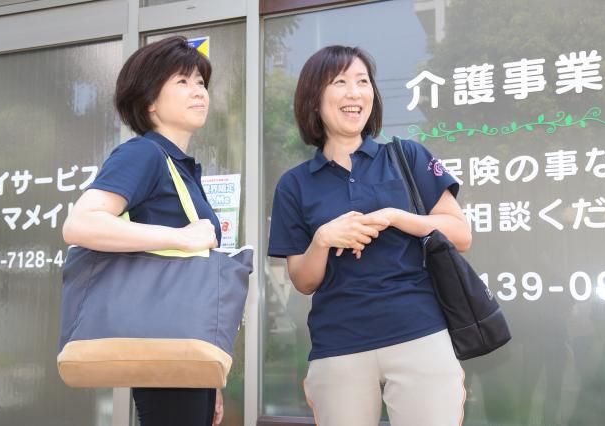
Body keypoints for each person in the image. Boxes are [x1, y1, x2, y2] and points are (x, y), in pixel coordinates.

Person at [267, 45, 472, 426]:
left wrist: (396, 217)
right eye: (340, 82)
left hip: (419, 334)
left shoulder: (407, 157)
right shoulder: (294, 185)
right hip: (339, 347)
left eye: (363, 82)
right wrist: (323, 239)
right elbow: (303, 281)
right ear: (314, 99)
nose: (355, 93)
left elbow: (460, 234)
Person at [62, 36, 223, 426]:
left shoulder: (179, 167)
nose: (198, 91)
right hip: (163, 344)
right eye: (182, 82)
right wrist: (180, 237)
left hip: (183, 347)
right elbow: (80, 223)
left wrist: (208, 370)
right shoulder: (144, 153)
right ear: (150, 100)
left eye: (200, 82)